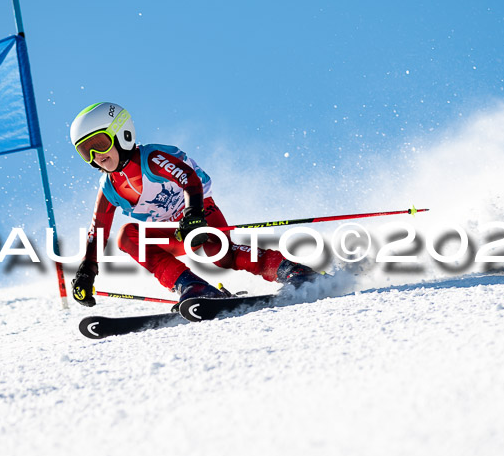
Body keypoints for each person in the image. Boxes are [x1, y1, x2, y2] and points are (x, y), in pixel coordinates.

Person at [69, 102, 318, 307]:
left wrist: (193, 213)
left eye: (99, 144)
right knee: (127, 236)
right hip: (172, 230)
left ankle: (291, 271)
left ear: (122, 133)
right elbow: (98, 231)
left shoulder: (152, 159)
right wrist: (87, 269)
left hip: (200, 212)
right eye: (85, 151)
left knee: (220, 254)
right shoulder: (109, 188)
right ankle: (193, 285)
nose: (96, 156)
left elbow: (189, 178)